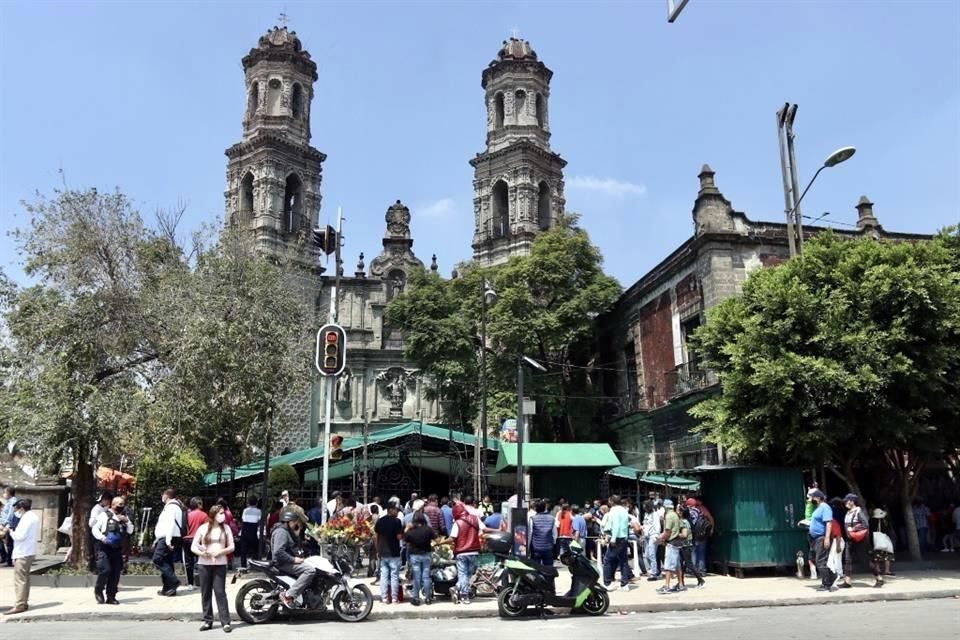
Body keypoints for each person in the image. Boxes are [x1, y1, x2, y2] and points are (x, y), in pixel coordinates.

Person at [192, 504, 235, 632]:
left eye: (223, 513)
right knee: (205, 593)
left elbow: (232, 546)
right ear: (213, 515)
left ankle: (225, 622)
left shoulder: (226, 528)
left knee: (220, 592)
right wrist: (202, 553)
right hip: (204, 564)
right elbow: (194, 546)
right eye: (220, 513)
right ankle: (207, 620)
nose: (223, 516)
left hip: (220, 564)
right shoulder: (203, 528)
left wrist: (221, 552)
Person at [91, 496, 134, 604]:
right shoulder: (104, 515)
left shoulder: (124, 517)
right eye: (119, 504)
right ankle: (98, 590)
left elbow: (130, 531)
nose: (121, 506)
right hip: (104, 547)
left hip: (117, 548)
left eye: (123, 504)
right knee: (105, 570)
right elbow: (95, 529)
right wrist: (102, 538)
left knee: (115, 573)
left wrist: (127, 521)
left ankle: (111, 596)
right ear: (113, 504)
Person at [272, 507, 314, 608]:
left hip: (287, 561)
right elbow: (278, 552)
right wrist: (294, 560)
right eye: (296, 522)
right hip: (282, 563)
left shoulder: (288, 531)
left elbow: (295, 545)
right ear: (289, 521)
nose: (297, 524)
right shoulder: (281, 532)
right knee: (310, 570)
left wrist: (297, 532)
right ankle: (288, 595)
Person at [5, 499, 39, 615]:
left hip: (23, 552)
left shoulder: (27, 519)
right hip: (28, 551)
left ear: (21, 509)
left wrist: (10, 532)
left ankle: (20, 604)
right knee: (25, 579)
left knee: (20, 580)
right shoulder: (33, 517)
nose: (16, 512)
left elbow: (19, 536)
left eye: (16, 509)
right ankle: (23, 602)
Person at [153, 488, 185, 597]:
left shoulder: (171, 508)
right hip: (169, 537)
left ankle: (174, 581)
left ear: (167, 496)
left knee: (158, 559)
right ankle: (168, 588)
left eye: (163, 495)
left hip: (168, 537)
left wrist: (167, 540)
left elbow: (170, 524)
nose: (162, 497)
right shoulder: (174, 507)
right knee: (167, 561)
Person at [450, 501, 482, 604]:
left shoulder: (457, 523)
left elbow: (452, 538)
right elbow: (484, 529)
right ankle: (460, 589)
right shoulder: (475, 518)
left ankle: (463, 594)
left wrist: (439, 542)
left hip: (461, 552)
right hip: (474, 551)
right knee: (469, 574)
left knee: (462, 574)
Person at [374, 502, 403, 604]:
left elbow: (376, 537)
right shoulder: (397, 521)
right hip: (394, 552)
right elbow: (399, 537)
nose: (398, 512)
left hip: (383, 552)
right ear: (390, 510)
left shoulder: (380, 521)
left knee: (384, 576)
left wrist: (377, 550)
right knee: (394, 576)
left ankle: (384, 598)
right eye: (396, 510)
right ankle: (394, 598)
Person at [839, 494, 871, 589]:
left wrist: (853, 529)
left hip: (859, 540)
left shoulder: (858, 511)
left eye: (848, 501)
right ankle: (847, 581)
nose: (846, 503)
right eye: (845, 501)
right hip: (850, 540)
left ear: (853, 501)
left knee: (866, 559)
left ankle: (879, 577)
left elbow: (865, 524)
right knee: (848, 560)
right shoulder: (848, 512)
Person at [404, 513, 435, 606]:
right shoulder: (428, 529)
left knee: (416, 577)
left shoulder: (412, 530)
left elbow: (405, 540)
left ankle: (416, 599)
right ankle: (428, 598)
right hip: (426, 554)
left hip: (415, 555)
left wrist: (406, 528)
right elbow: (436, 539)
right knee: (426, 577)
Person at [807, 490, 835, 592]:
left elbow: (828, 523)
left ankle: (827, 584)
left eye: (813, 498)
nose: (811, 500)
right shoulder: (818, 508)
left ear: (818, 498)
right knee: (814, 559)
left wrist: (827, 538)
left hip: (821, 537)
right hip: (814, 538)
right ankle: (831, 576)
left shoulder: (825, 507)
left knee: (820, 561)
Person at [602, 495, 631, 591]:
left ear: (612, 501)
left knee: (607, 560)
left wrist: (613, 539)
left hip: (617, 538)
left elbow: (616, 525)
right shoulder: (624, 510)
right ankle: (625, 584)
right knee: (624, 561)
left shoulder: (613, 511)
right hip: (624, 537)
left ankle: (607, 583)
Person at [676, 505, 705, 590]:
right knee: (682, 565)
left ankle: (700, 580)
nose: (677, 512)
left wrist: (675, 535)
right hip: (686, 545)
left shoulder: (683, 522)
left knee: (689, 564)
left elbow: (684, 534)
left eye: (678, 511)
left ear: (681, 513)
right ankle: (681, 582)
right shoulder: (688, 521)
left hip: (685, 545)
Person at [656, 498, 681, 594]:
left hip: (671, 543)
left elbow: (667, 531)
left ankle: (667, 586)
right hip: (676, 543)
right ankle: (680, 584)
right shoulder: (675, 515)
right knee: (677, 565)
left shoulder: (669, 516)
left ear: (665, 507)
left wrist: (661, 539)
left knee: (668, 566)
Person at [183, 498, 206, 590]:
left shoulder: (187, 515)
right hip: (198, 541)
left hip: (187, 540)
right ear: (199, 504)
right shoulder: (204, 515)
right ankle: (203, 582)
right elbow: (206, 530)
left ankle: (190, 584)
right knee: (201, 561)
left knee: (189, 563)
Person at [87, 491, 114, 572]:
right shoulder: (96, 509)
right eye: (108, 501)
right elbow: (91, 524)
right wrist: (101, 514)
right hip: (97, 535)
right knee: (98, 553)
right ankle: (98, 569)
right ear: (104, 500)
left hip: (104, 535)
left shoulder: (104, 509)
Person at [529, 501, 557, 568]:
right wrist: (553, 544)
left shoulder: (532, 519)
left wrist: (528, 547)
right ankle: (549, 578)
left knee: (536, 568)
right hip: (548, 548)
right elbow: (555, 534)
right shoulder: (552, 518)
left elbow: (530, 534)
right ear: (545, 508)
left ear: (535, 508)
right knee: (549, 568)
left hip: (536, 548)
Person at [641, 500, 662, 581]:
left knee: (652, 555)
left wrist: (656, 536)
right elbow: (645, 524)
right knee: (646, 555)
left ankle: (654, 573)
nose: (643, 507)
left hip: (653, 536)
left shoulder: (655, 514)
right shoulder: (646, 514)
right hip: (646, 536)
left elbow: (657, 526)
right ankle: (655, 570)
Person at [239, 496, 261, 568]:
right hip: (253, 531)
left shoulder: (245, 510)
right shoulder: (258, 511)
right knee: (255, 549)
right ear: (256, 503)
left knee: (243, 551)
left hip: (245, 530)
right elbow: (259, 521)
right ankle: (255, 565)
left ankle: (243, 566)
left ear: (248, 502)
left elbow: (243, 520)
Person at [0, 487, 18, 567]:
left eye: (4, 492)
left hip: (8, 525)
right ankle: (7, 558)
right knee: (8, 543)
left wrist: (4, 524)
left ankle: (9, 560)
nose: (3, 494)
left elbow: (10, 514)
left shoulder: (13, 501)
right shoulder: (9, 501)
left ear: (9, 493)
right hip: (5, 524)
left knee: (9, 543)